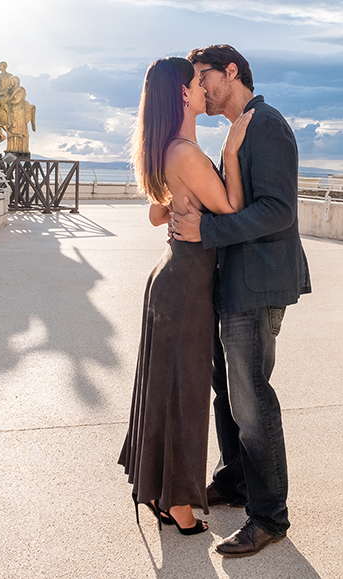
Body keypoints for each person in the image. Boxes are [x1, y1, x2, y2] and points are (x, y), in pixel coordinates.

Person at [170, 44, 312, 557]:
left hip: (257, 286)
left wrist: (205, 230)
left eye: (201, 76)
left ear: (230, 73)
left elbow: (277, 210)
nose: (198, 87)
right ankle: (234, 481)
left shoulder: (266, 125)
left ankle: (269, 516)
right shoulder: (239, 130)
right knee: (227, 394)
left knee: (251, 400)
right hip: (233, 284)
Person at [118, 57, 253, 536]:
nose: (204, 88)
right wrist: (231, 154)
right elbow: (232, 208)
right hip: (186, 287)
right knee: (186, 393)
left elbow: (157, 215)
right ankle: (178, 504)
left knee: (166, 387)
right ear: (182, 94)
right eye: (197, 82)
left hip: (172, 278)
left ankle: (159, 491)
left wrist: (180, 204)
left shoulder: (170, 149)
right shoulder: (187, 153)